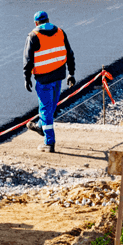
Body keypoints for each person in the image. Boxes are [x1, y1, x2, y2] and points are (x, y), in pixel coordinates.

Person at [24, 11, 76, 152]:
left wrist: (27, 78)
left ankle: (49, 143)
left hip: (44, 79)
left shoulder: (33, 36)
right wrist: (71, 73)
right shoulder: (60, 32)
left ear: (36, 23)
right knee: (51, 106)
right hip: (58, 77)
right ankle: (40, 126)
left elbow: (28, 60)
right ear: (48, 20)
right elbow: (69, 54)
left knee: (46, 109)